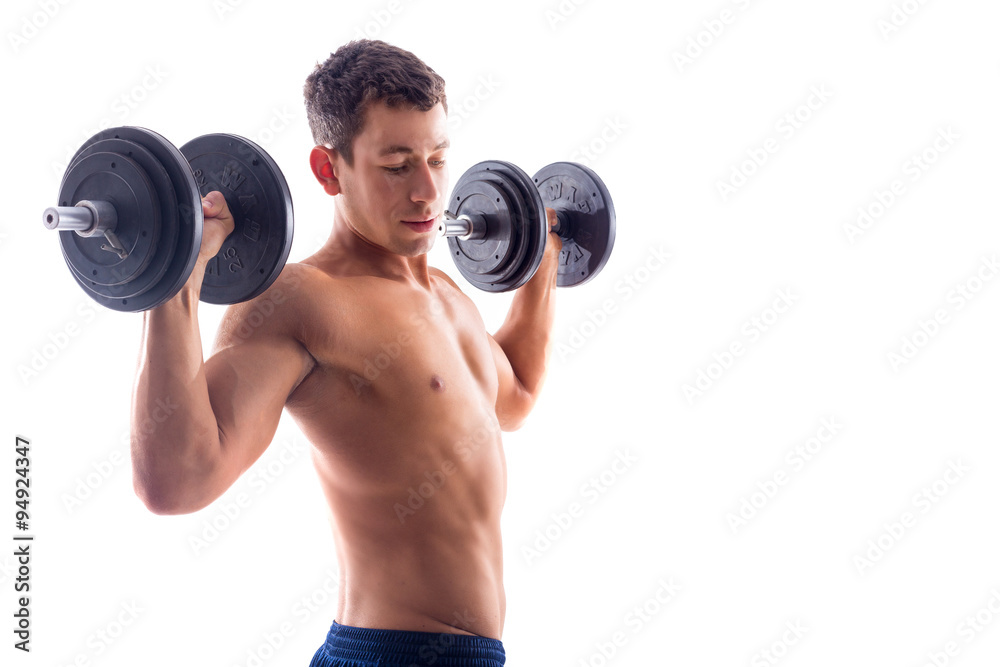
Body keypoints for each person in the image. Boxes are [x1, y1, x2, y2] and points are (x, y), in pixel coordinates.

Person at [130, 39, 561, 666]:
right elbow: (175, 482)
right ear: (329, 170)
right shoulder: (299, 300)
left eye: (438, 159)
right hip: (388, 653)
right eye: (397, 166)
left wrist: (542, 262)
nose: (427, 193)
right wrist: (176, 275)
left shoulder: (446, 295)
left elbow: (515, 398)